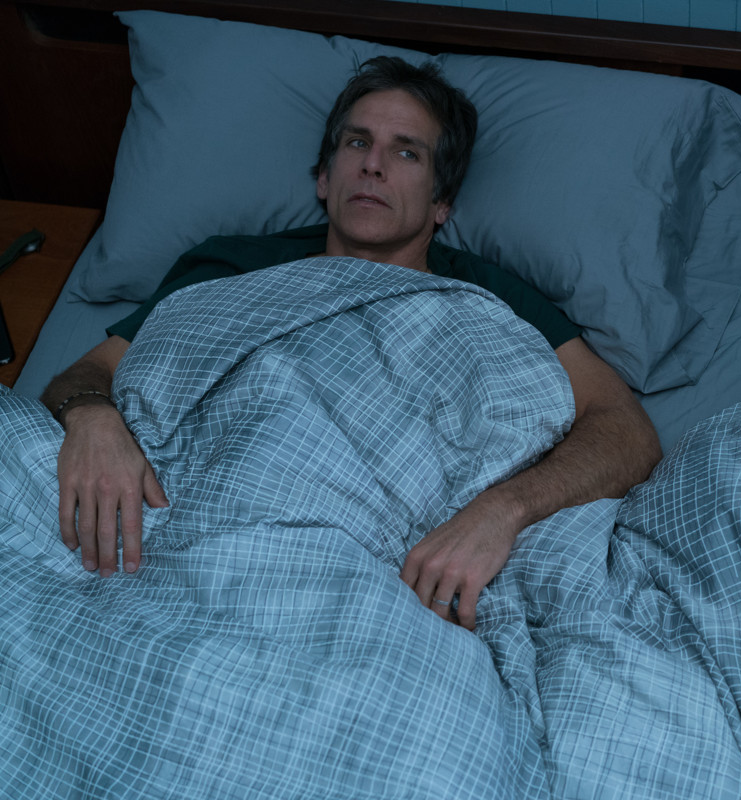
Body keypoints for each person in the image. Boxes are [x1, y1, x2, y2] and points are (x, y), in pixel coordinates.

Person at [40, 57, 662, 630]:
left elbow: (626, 431)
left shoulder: (487, 297)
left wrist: (503, 512)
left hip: (368, 559)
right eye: (357, 143)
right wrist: (93, 420)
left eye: (407, 152)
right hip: (172, 523)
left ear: (442, 202)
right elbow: (89, 374)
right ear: (323, 175)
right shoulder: (232, 265)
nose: (373, 165)